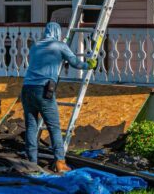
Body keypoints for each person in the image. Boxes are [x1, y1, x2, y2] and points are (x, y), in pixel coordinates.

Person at [21, 22, 97, 173]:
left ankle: (31, 162)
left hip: (27, 88)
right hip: (43, 89)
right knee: (54, 127)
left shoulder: (36, 46)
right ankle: (60, 163)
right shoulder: (60, 45)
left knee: (31, 126)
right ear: (57, 33)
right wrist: (89, 65)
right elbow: (75, 62)